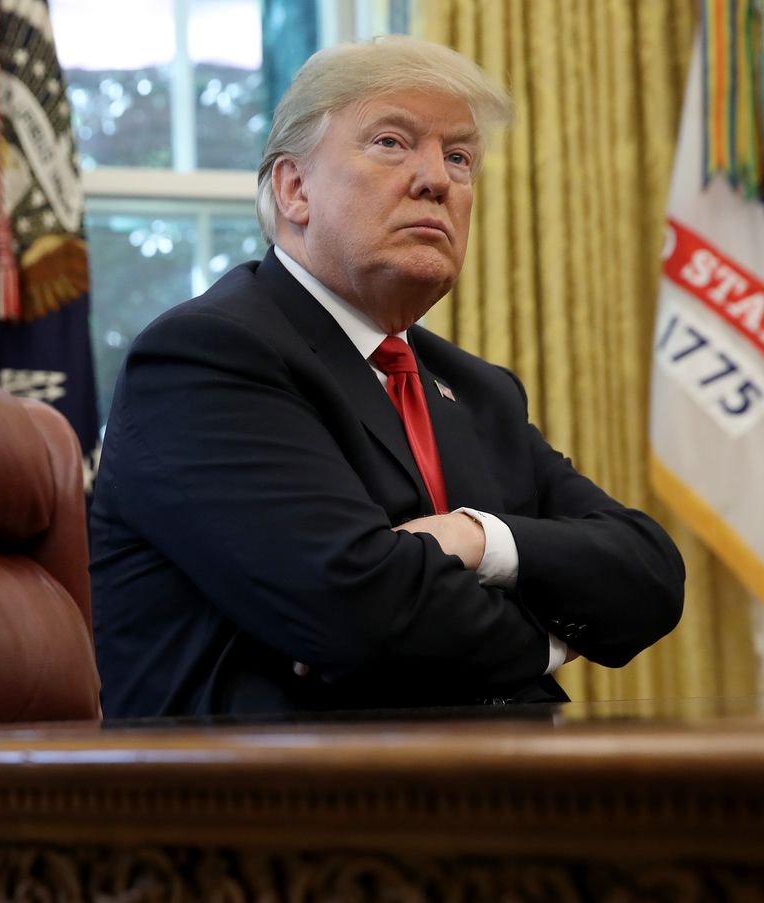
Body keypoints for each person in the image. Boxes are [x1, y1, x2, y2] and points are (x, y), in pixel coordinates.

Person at [89, 36, 684, 717]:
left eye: (459, 157)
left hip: (494, 785)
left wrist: (479, 539)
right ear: (294, 188)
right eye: (391, 143)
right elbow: (357, 610)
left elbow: (650, 572)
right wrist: (553, 638)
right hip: (277, 802)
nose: (437, 179)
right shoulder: (208, 355)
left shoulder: (479, 389)